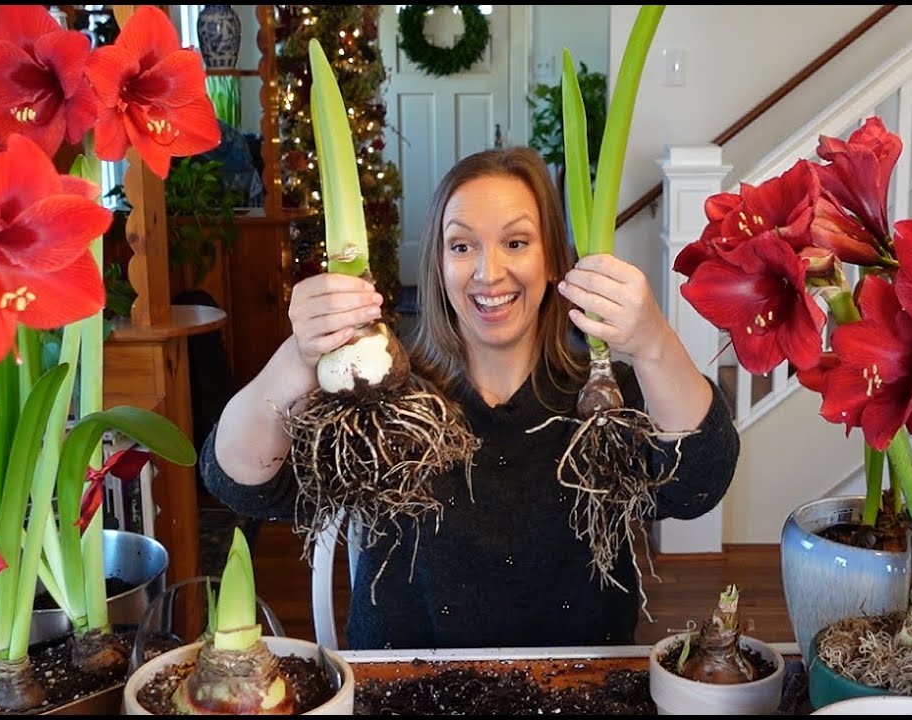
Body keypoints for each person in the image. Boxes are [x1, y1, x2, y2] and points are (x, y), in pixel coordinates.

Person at [203, 146, 739, 650]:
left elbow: (698, 486)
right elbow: (241, 482)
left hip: (579, 689)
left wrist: (653, 342)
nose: (488, 272)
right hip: (405, 693)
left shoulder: (608, 397)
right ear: (438, 264)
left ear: (553, 259)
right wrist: (297, 356)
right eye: (462, 246)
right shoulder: (383, 402)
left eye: (516, 242)